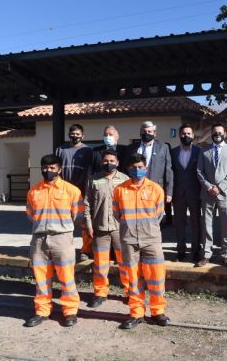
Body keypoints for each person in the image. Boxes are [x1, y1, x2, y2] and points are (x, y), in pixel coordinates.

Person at [25, 154, 83, 327]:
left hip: (62, 239)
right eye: (45, 167)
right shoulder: (34, 191)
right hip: (39, 240)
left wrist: (62, 228)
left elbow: (78, 216)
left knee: (66, 277)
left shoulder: (72, 190)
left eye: (52, 168)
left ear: (59, 169)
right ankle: (42, 311)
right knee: (41, 278)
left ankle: (70, 311)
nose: (48, 170)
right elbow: (30, 214)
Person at [113, 153, 170, 329]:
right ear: (128, 169)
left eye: (140, 167)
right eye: (133, 167)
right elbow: (117, 213)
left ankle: (157, 311)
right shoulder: (119, 190)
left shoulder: (156, 189)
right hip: (129, 240)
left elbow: (159, 214)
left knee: (156, 276)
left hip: (151, 239)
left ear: (145, 168)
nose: (137, 170)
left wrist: (147, 229)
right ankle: (136, 313)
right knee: (133, 277)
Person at [84, 149, 130, 308]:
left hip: (120, 229)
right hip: (100, 229)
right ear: (101, 162)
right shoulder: (93, 179)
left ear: (117, 162)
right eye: (105, 160)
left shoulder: (125, 180)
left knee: (125, 262)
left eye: (112, 161)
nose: (108, 163)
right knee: (100, 264)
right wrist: (89, 225)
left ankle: (130, 292)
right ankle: (100, 293)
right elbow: (87, 204)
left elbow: (130, 204)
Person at [195, 123, 227, 268]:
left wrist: (219, 188)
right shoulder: (204, 150)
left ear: (225, 134)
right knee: (207, 225)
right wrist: (209, 187)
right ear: (211, 133)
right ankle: (206, 254)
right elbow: (199, 171)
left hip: (225, 193)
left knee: (226, 226)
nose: (217, 135)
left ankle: (226, 255)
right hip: (207, 194)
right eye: (215, 132)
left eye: (220, 132)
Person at [55, 124, 94, 261]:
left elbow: (89, 171)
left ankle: (86, 250)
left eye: (78, 134)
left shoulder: (88, 150)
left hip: (81, 191)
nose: (75, 136)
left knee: (84, 221)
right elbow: (56, 169)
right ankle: (62, 249)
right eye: (72, 133)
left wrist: (83, 189)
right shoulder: (60, 149)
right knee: (63, 221)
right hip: (63, 192)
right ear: (69, 134)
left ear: (82, 135)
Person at [127, 121, 173, 225]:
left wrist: (169, 192)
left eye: (149, 131)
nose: (146, 133)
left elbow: (168, 171)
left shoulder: (163, 147)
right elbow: (127, 168)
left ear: (155, 134)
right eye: (144, 131)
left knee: (155, 219)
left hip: (156, 188)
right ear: (140, 133)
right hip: (136, 188)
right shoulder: (131, 148)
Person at [171, 124, 202, 262]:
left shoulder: (199, 151)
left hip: (195, 193)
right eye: (183, 133)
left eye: (189, 133)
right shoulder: (173, 152)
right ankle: (181, 251)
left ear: (193, 135)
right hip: (178, 193)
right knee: (179, 223)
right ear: (179, 135)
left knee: (196, 223)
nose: (186, 136)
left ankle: (196, 250)